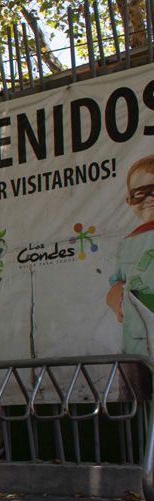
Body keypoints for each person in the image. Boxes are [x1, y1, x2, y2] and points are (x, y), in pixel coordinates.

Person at [105, 155, 154, 400]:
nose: (149, 199)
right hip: (136, 349)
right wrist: (115, 298)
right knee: (141, 408)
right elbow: (116, 282)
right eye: (140, 193)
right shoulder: (126, 245)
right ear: (129, 200)